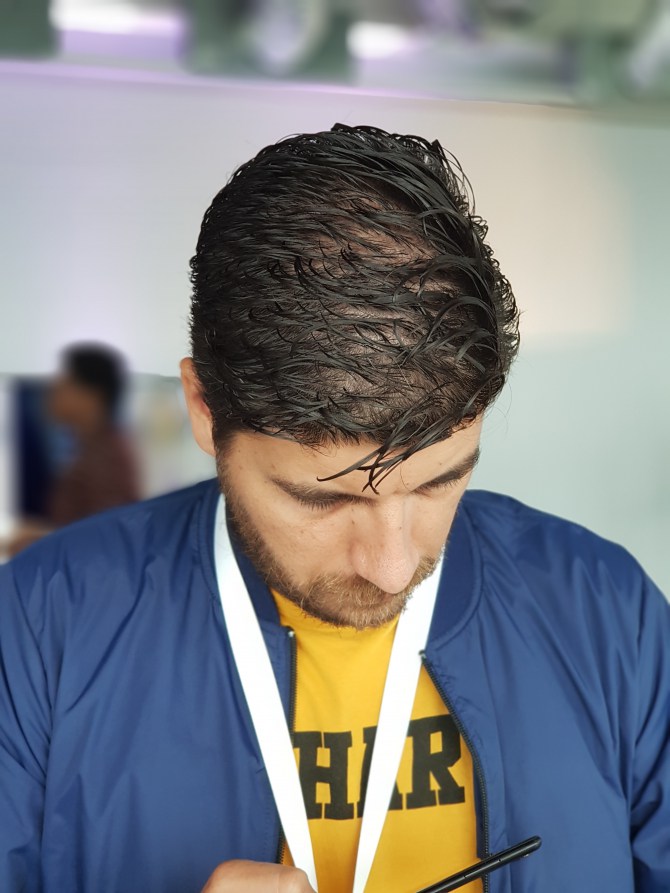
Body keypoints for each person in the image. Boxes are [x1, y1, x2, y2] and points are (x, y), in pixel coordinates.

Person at [0, 124, 668, 893]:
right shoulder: (39, 629)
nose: (392, 566)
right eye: (322, 497)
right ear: (204, 409)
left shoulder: (611, 614)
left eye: (439, 482)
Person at [7, 342, 141, 555]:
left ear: (91, 396)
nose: (54, 390)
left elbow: (107, 539)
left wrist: (38, 540)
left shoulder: (107, 457)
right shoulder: (91, 448)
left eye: (66, 383)